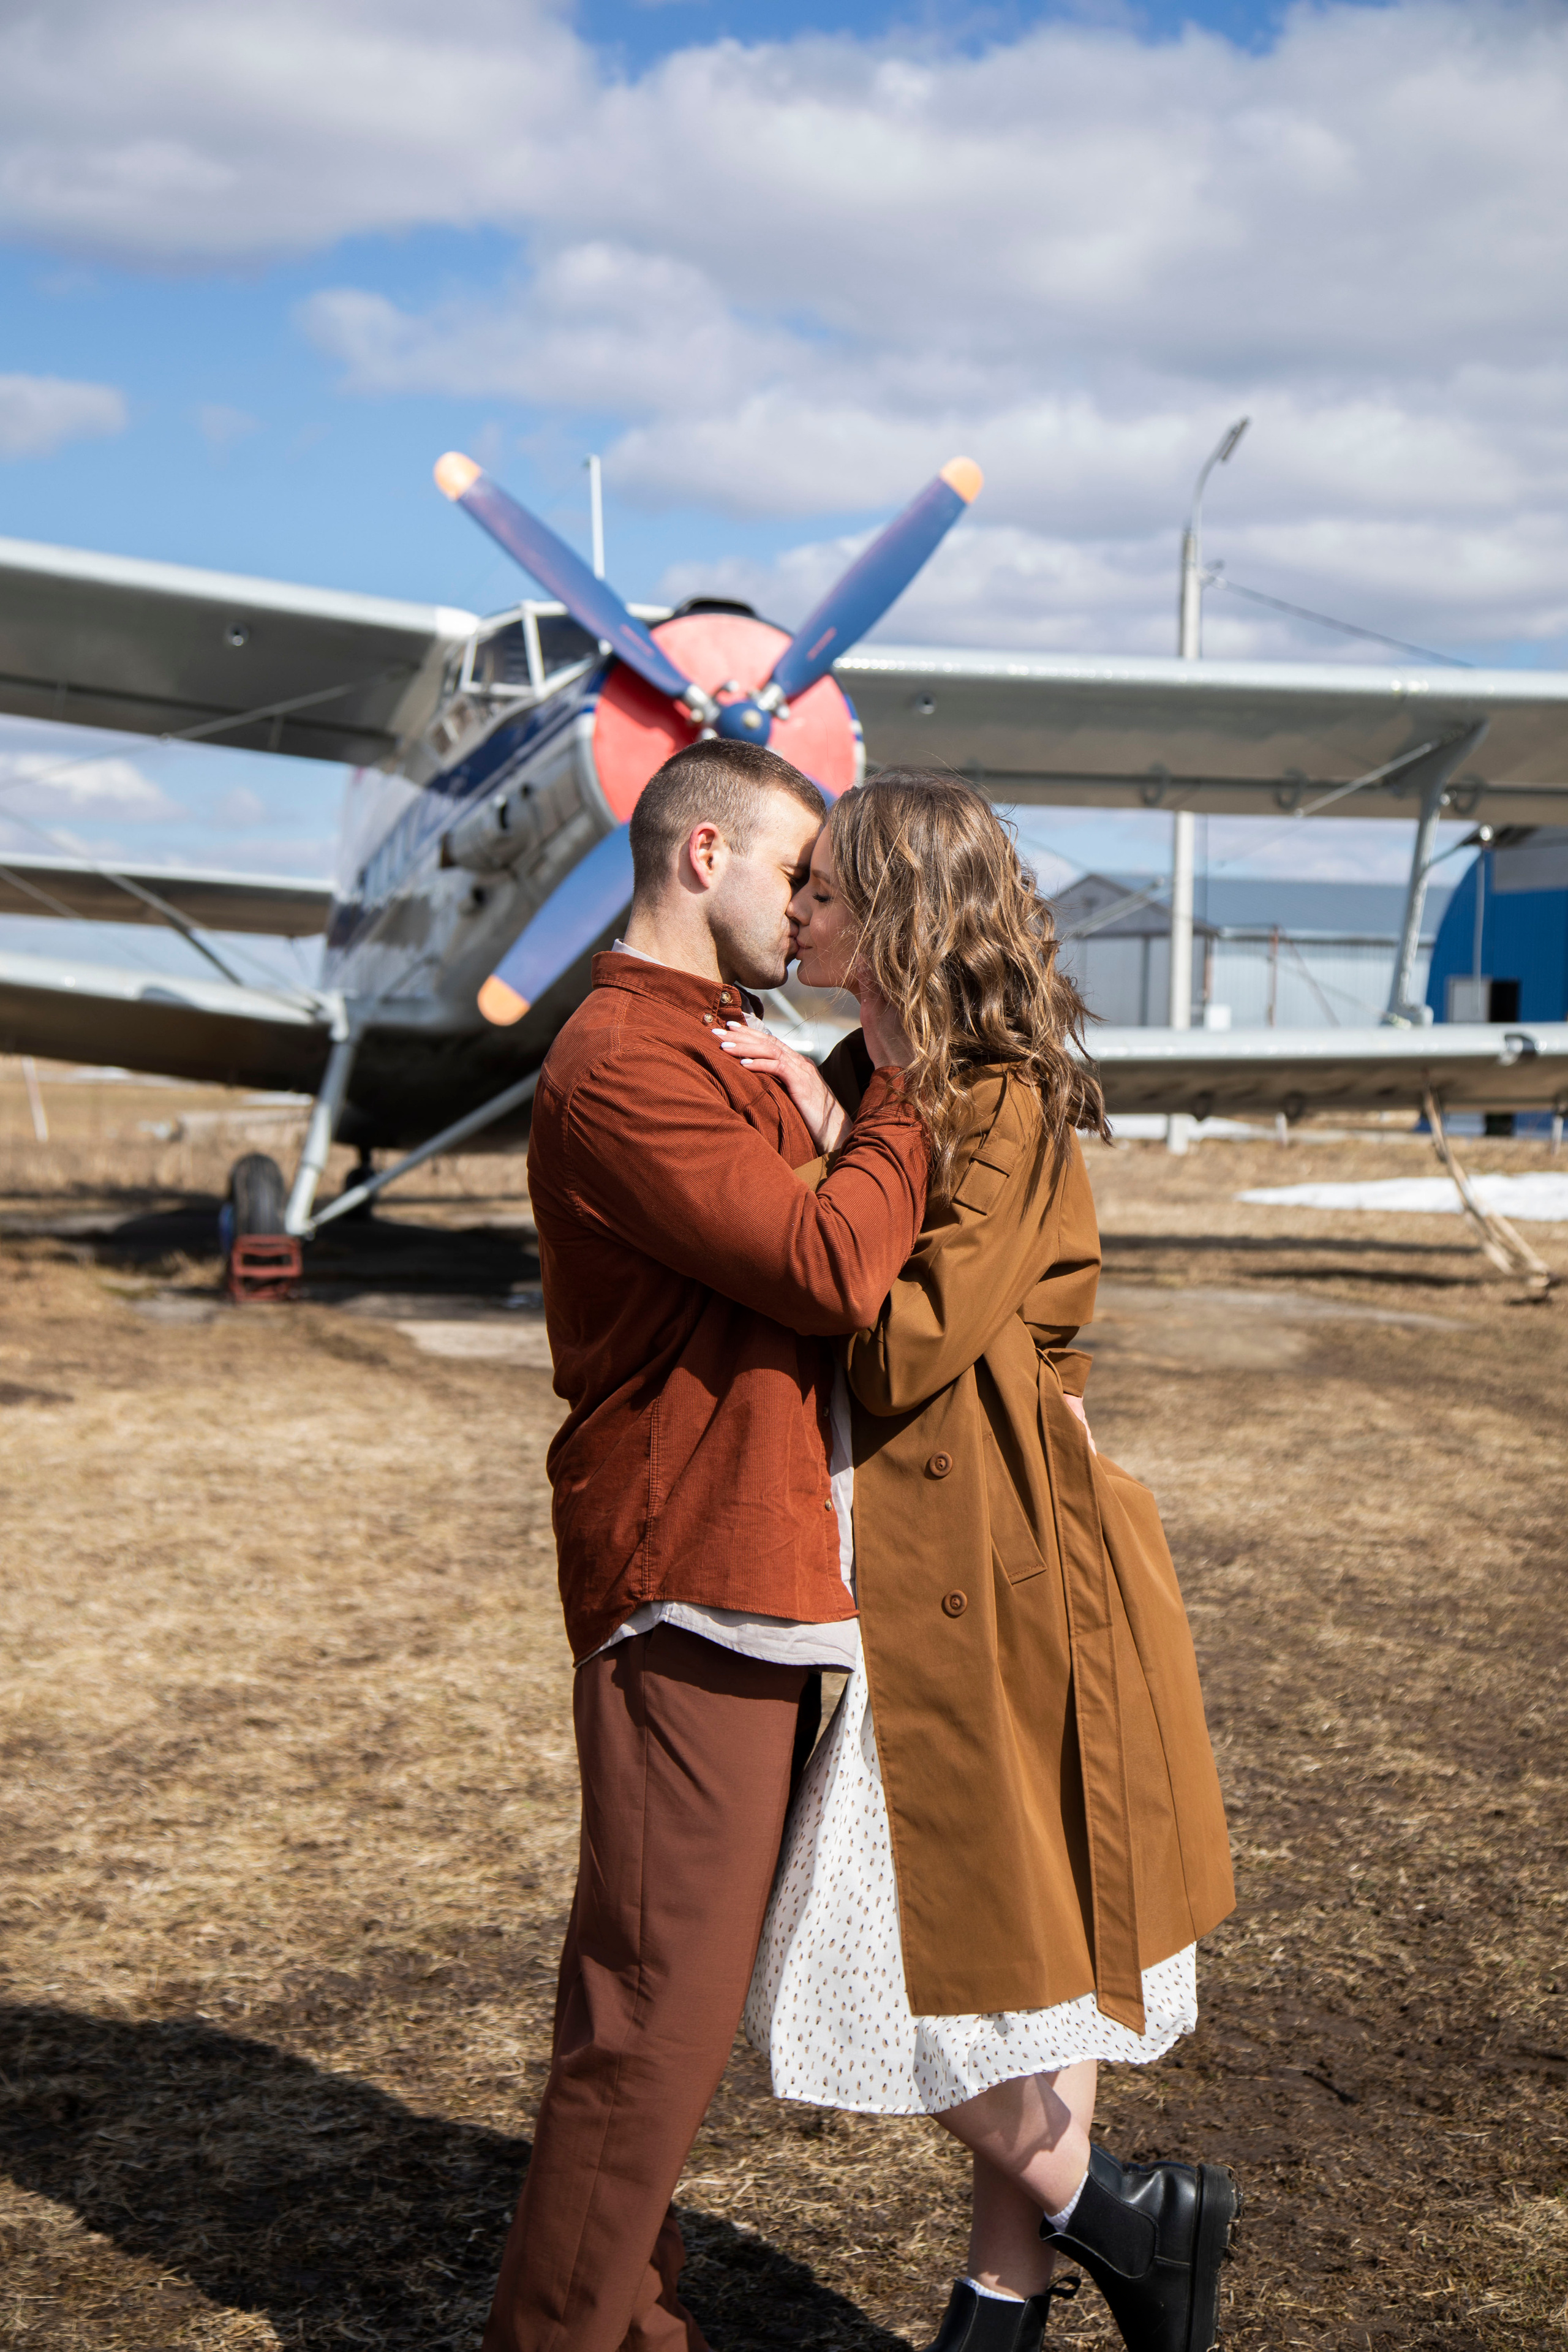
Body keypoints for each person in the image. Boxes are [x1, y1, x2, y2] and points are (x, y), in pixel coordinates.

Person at [722, 772, 1241, 2352]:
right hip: (931, 1547)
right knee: (1014, 1946)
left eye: (822, 889)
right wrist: (835, 1106)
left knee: (962, 1941)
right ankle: (1015, 2294)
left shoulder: (992, 1091)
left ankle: (1107, 2221)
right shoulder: (873, 1068)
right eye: (797, 885)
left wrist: (832, 1132)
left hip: (1007, 1557)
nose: (798, 911)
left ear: (894, 913)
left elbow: (901, 1343)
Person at [481, 738, 933, 2352]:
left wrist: (844, 1091)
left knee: (655, 2011)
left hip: (755, 1570)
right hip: (692, 1580)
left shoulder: (724, 1043)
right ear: (701, 859)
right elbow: (824, 1268)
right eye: (795, 871)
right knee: (652, 2021)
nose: (814, 906)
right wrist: (910, 1092)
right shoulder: (623, 1060)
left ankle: (639, 2328)